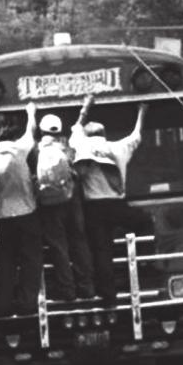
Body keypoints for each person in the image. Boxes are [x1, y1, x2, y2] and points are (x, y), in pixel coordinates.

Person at [69, 95, 148, 305]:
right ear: (104, 134)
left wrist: (86, 107)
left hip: (94, 208)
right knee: (145, 222)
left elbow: (76, 126)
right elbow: (136, 134)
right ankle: (146, 263)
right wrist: (142, 111)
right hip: (118, 206)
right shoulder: (119, 148)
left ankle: (109, 296)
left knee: (101, 251)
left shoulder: (81, 146)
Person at [0, 102, 43, 316]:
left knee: (5, 263)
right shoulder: (21, 148)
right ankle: (28, 304)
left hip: (4, 218)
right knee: (31, 261)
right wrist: (30, 112)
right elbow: (31, 129)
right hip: (28, 214)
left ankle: (4, 304)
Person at [36, 114, 95, 300]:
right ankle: (87, 288)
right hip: (71, 200)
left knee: (59, 248)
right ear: (59, 129)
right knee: (79, 243)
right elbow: (79, 172)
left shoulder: (34, 150)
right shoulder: (67, 148)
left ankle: (67, 291)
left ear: (41, 130)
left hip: (49, 205)